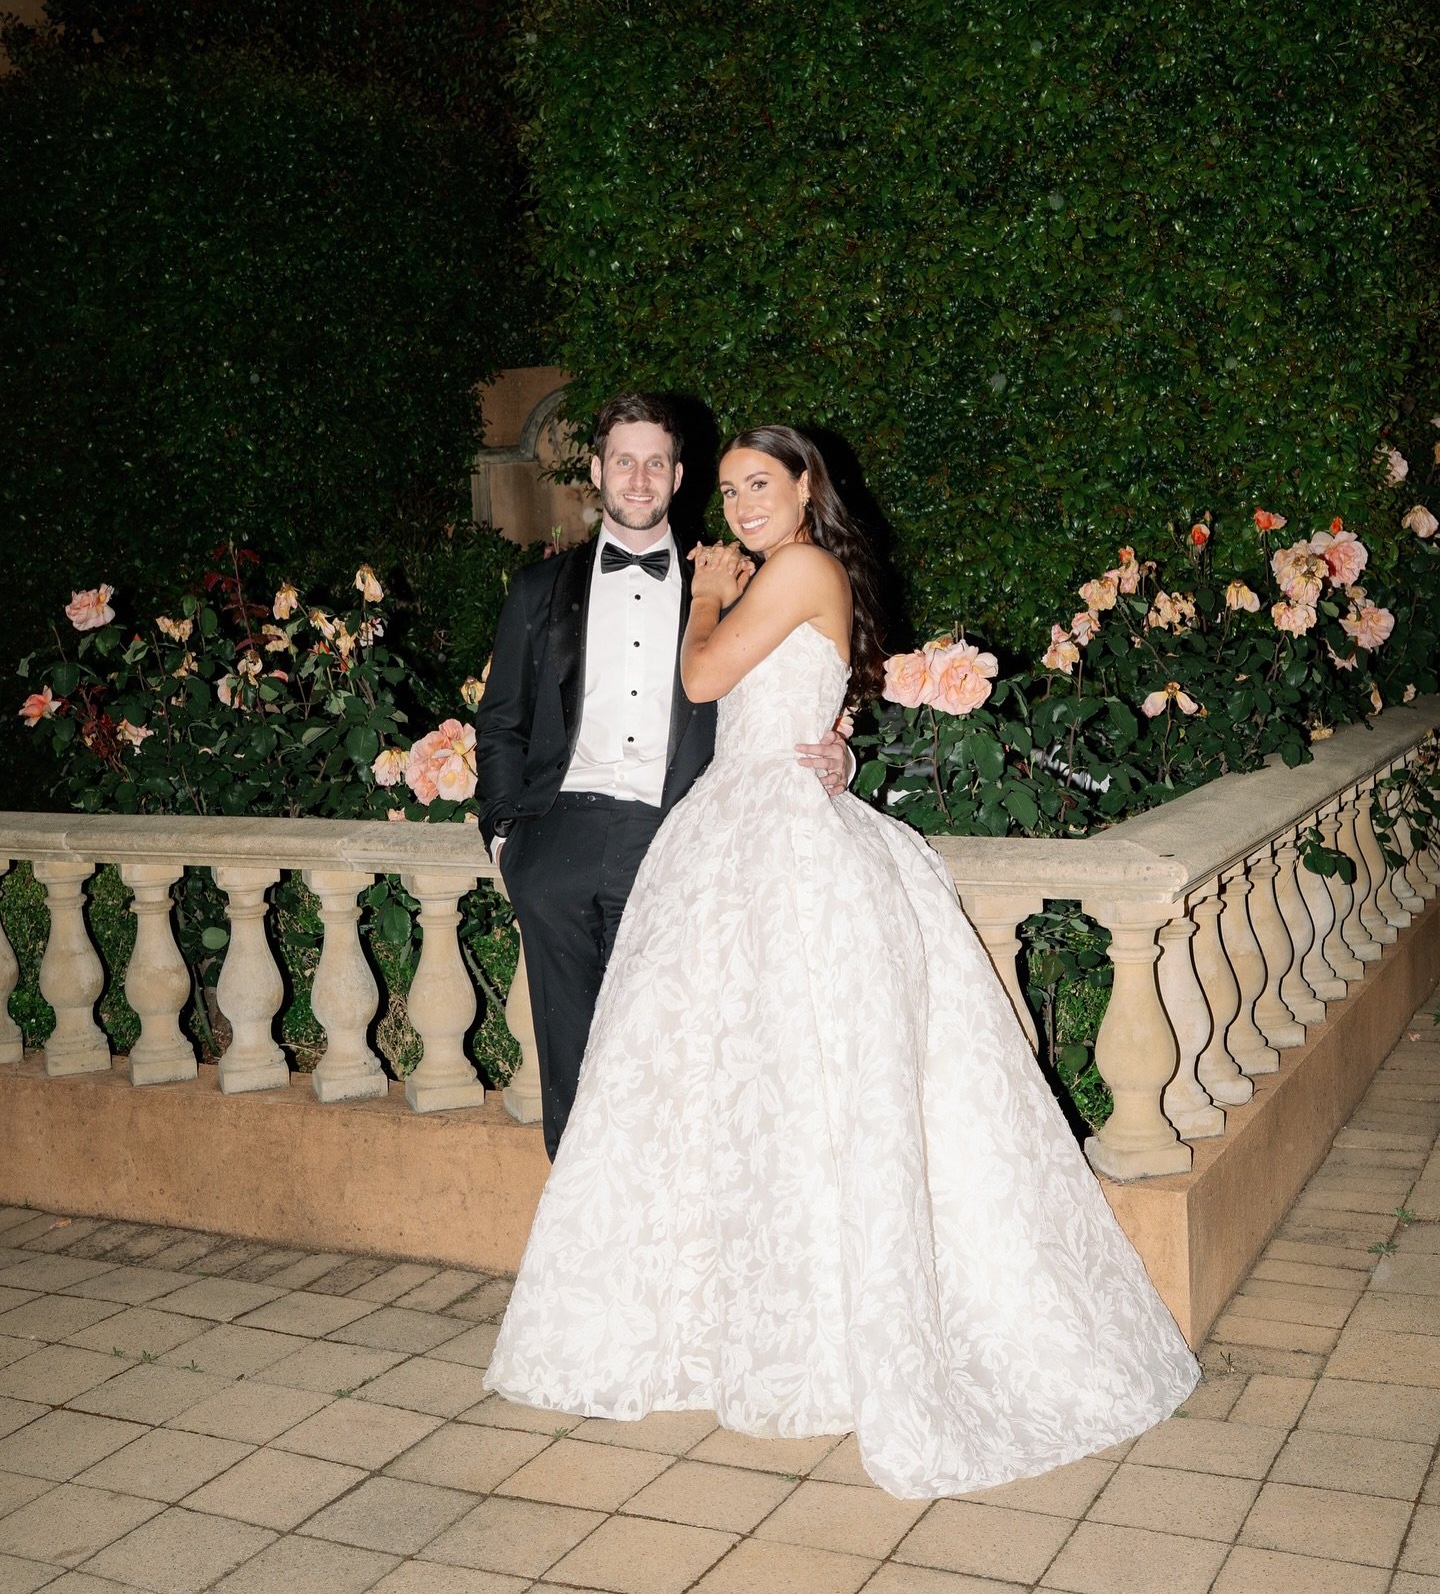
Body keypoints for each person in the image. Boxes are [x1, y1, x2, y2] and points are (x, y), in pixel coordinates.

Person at [484, 422, 1200, 1501]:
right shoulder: (795, 572)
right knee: (743, 1094)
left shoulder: (795, 566)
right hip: (739, 826)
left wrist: (714, 592)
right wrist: (842, 743)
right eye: (726, 491)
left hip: (774, 844)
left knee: (801, 1085)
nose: (739, 507)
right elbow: (809, 696)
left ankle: (831, 1337)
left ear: (807, 486)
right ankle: (751, 1325)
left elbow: (707, 671)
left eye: (757, 485)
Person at [474, 395, 852, 1159]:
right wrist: (505, 838)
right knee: (571, 1064)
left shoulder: (732, 578)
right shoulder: (536, 593)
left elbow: (795, 678)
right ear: (596, 471)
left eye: (655, 463)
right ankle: (582, 1249)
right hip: (557, 839)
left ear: (678, 477)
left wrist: (841, 747)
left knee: (677, 1058)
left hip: (675, 839)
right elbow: (501, 722)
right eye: (623, 461)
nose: (639, 479)